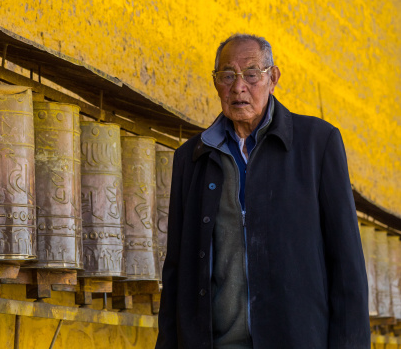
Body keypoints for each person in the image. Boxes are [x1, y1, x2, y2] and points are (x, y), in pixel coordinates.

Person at [155, 34, 370, 349]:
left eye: (251, 75)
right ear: (216, 83)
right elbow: (176, 270)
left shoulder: (317, 144)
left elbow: (347, 266)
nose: (239, 87)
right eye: (227, 76)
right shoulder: (192, 158)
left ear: (273, 78)